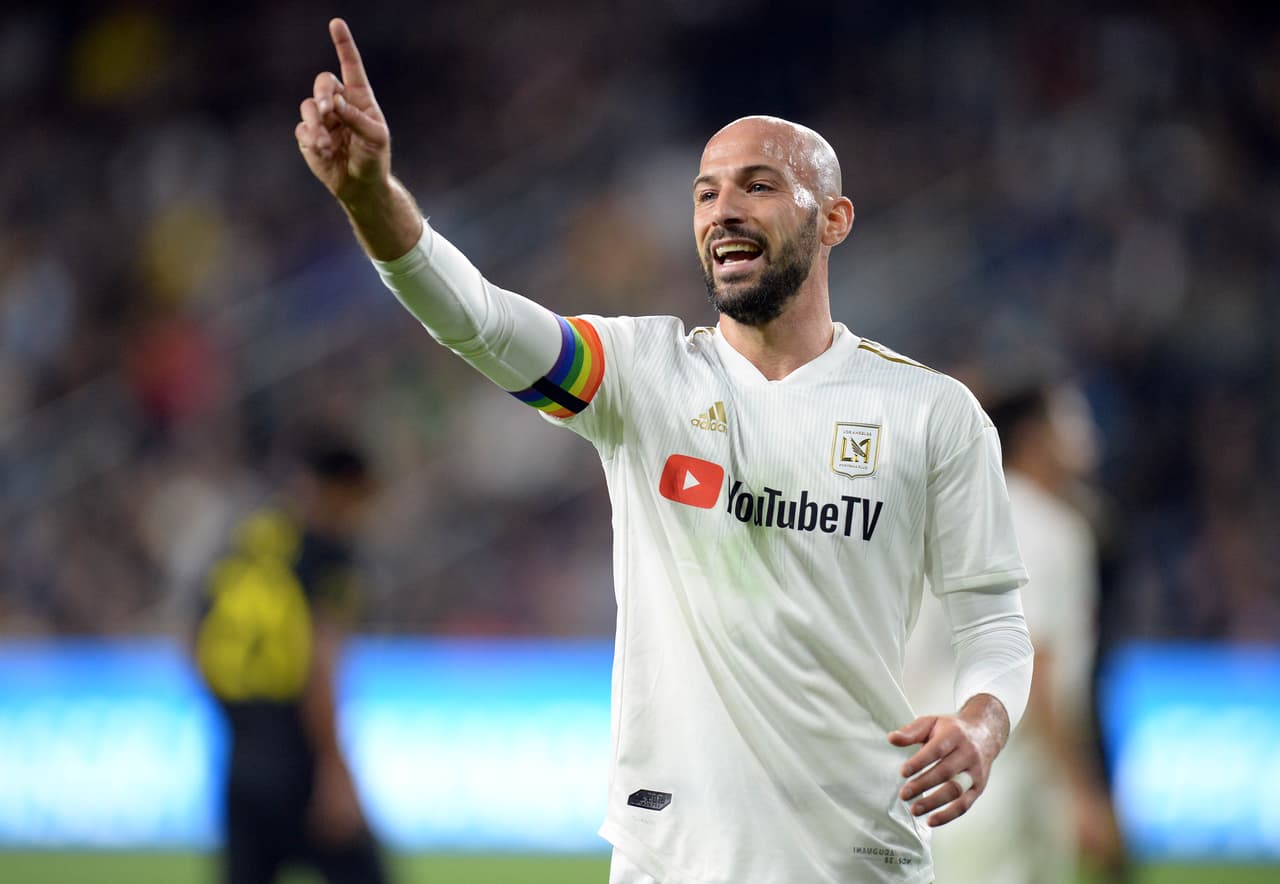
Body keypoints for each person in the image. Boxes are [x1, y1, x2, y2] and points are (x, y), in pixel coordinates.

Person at [295, 18, 1034, 883]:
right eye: (705, 192)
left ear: (832, 219)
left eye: (758, 186)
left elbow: (993, 623)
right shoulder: (641, 377)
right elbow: (481, 320)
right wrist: (371, 201)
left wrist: (980, 725)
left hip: (857, 855)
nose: (724, 209)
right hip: (672, 858)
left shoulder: (932, 413)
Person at [905, 382, 1124, 884]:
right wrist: (1081, 788)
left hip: (931, 775)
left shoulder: (955, 511)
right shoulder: (1050, 528)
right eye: (1070, 424)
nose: (1086, 439)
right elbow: (1035, 667)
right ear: (1034, 437)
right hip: (1008, 778)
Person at [193, 425, 388, 884]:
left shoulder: (246, 542)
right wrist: (335, 770)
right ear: (343, 488)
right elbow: (322, 666)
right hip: (299, 761)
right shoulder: (327, 553)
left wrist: (241, 724)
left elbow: (195, 640)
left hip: (242, 759)